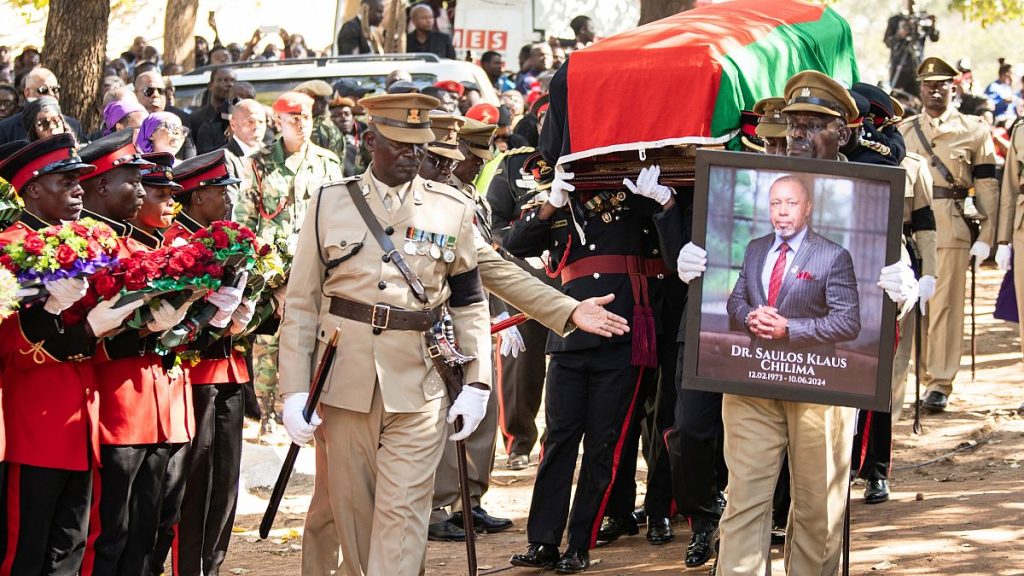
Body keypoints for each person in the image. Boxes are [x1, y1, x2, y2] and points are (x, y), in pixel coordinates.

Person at [677, 70, 919, 576]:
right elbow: (738, 299)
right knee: (745, 499)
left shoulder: (863, 196)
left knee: (817, 509)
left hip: (822, 385)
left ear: (844, 134)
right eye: (793, 125)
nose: (799, 136)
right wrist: (705, 276)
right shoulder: (759, 230)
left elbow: (854, 316)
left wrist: (905, 285)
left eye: (813, 126)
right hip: (752, 378)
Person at [277, 92, 491, 575]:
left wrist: (478, 380)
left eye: (419, 144)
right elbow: (303, 302)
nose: (412, 154)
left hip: (419, 381)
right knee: (355, 518)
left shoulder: (451, 207)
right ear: (369, 139)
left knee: (403, 516)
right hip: (344, 380)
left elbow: (469, 301)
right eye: (399, 143)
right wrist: (293, 391)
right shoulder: (328, 203)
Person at [505, 66, 676, 574]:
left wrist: (663, 203)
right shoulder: (560, 190)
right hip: (572, 329)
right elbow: (515, 247)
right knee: (559, 439)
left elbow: (674, 246)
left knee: (605, 442)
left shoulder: (640, 185)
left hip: (624, 329)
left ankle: (581, 541)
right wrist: (552, 201)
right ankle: (543, 541)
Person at [0, 134, 140, 575]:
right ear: (34, 189)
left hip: (79, 419)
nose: (79, 190)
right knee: (25, 551)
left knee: (69, 548)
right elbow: (13, 345)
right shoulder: (12, 246)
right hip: (33, 423)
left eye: (80, 181)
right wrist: (54, 311)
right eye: (66, 181)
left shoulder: (82, 243)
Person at [75, 130, 188, 576]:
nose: (142, 192)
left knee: (144, 527)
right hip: (116, 403)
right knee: (108, 533)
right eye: (134, 180)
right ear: (101, 183)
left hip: (151, 400)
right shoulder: (89, 244)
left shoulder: (132, 245)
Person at [155, 151, 251, 576]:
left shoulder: (229, 237)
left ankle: (211, 564)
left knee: (225, 479)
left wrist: (256, 308)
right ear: (196, 197)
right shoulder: (177, 242)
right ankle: (188, 568)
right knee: (195, 480)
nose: (228, 199)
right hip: (195, 372)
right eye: (218, 192)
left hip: (231, 368)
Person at [898, 57, 1003, 413]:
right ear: (920, 88)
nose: (934, 90)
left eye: (942, 84)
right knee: (915, 306)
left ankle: (939, 381)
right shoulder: (904, 130)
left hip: (952, 226)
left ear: (953, 88)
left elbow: (987, 185)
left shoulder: (973, 130)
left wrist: (988, 234)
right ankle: (919, 373)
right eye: (928, 84)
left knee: (944, 306)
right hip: (911, 231)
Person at [233, 91, 342, 430]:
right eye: (293, 118)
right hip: (272, 267)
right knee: (267, 342)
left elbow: (338, 217)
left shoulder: (328, 162)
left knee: (312, 337)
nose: (301, 125)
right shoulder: (260, 161)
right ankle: (266, 414)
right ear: (278, 121)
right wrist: (254, 268)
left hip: (315, 266)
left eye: (306, 117)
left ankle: (308, 407)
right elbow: (245, 218)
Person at [0, 67, 85, 144]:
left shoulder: (73, 125)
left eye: (55, 89)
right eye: (43, 90)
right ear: (27, 93)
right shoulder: (5, 129)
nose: (51, 94)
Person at [135, 70, 196, 159]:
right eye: (148, 91)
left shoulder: (179, 122)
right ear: (135, 94)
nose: (155, 95)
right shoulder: (128, 123)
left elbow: (190, 163)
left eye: (161, 91)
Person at [884, 0, 939, 96]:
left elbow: (934, 38)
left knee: (920, 94)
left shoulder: (923, 19)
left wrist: (933, 25)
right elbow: (887, 41)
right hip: (899, 65)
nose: (912, 4)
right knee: (897, 95)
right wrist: (900, 34)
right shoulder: (895, 20)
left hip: (917, 66)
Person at [224, 98, 268, 197]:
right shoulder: (224, 158)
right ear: (233, 124)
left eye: (261, 122)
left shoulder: (272, 153)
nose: (257, 127)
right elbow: (231, 203)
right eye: (250, 121)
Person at [295, 79, 346, 161]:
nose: (303, 105)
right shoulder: (326, 126)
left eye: (308, 101)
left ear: (321, 103)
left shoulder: (318, 129)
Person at [188, 66, 236, 137]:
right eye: (224, 80)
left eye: (233, 81)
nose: (230, 84)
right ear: (210, 86)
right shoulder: (195, 118)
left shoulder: (239, 117)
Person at [328, 96, 364, 176]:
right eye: (337, 115)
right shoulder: (326, 143)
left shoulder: (362, 136)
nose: (344, 119)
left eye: (347, 114)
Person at [984, 59, 1018, 125]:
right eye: (1011, 74)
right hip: (1000, 120)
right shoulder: (993, 87)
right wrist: (1004, 101)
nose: (1012, 77)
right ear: (1005, 74)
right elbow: (989, 105)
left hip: (1011, 117)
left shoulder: (1007, 87)